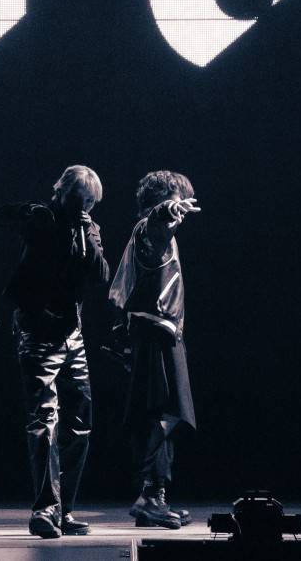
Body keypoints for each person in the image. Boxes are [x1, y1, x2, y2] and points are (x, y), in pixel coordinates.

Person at [0, 165, 109, 539]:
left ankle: (64, 508)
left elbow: (100, 275)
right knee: (44, 420)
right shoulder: (43, 218)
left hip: (72, 334)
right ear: (61, 191)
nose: (84, 206)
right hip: (39, 331)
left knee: (79, 423)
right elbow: (1, 215)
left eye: (90, 201)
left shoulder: (90, 229)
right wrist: (32, 211)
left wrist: (87, 234)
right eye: (79, 198)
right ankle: (44, 508)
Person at [108, 171, 200, 529]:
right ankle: (149, 497)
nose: (182, 210)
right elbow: (157, 223)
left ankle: (156, 497)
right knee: (162, 412)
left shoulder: (155, 237)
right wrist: (166, 210)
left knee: (163, 413)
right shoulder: (149, 231)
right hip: (155, 334)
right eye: (179, 200)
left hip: (159, 332)